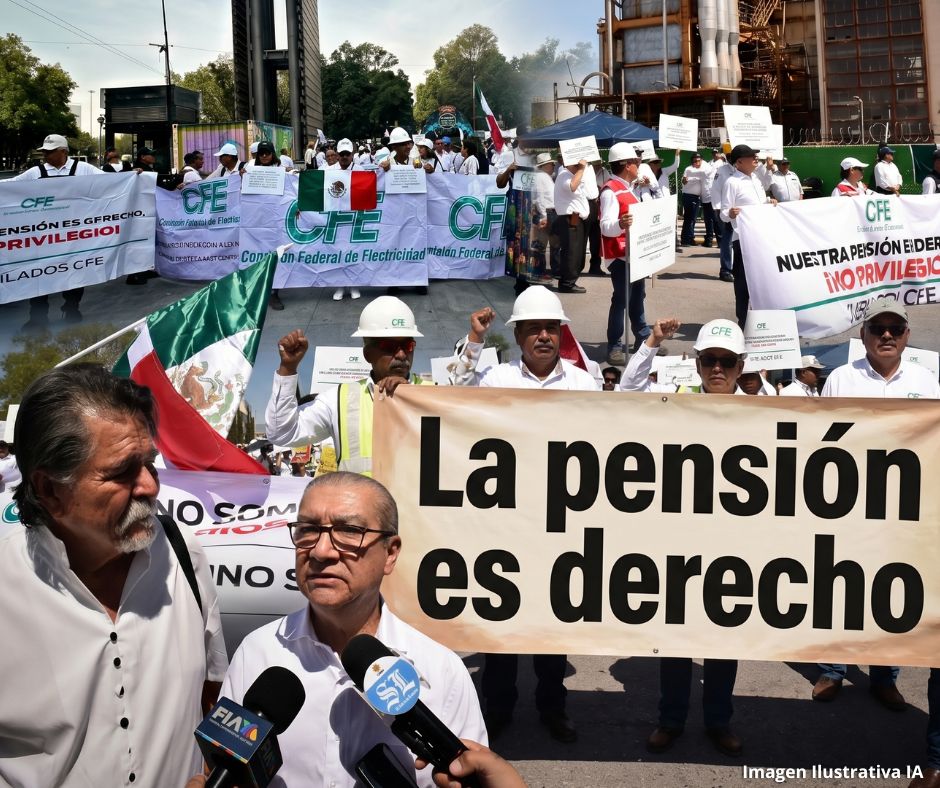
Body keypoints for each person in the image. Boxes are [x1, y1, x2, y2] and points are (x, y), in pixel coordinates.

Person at [0, 365, 227, 786]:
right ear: (50, 490)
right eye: (123, 471)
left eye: (150, 464)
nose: (149, 487)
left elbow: (210, 693)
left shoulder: (182, 554)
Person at [220, 472, 487, 787]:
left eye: (349, 530)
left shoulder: (442, 671)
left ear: (390, 553)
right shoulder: (257, 653)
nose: (321, 552)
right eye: (307, 529)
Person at [451, 286, 596, 744]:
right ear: (517, 336)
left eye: (550, 328)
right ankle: (498, 712)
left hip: (559, 524)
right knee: (501, 629)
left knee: (551, 626)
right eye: (533, 329)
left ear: (561, 333)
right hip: (505, 524)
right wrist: (473, 342)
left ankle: (553, 709)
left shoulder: (582, 383)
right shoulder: (495, 381)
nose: (543, 337)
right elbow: (450, 400)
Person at [814, 297, 939, 712]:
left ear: (906, 335)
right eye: (877, 328)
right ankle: (832, 669)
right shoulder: (840, 380)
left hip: (903, 506)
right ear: (863, 334)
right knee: (841, 585)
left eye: (895, 329)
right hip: (847, 502)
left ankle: (885, 676)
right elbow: (821, 439)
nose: (887, 335)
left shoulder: (927, 380)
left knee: (891, 591)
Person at [646, 319, 746, 758]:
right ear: (698, 363)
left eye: (726, 362)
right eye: (710, 361)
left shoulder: (773, 411)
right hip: (683, 544)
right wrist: (651, 342)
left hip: (736, 547)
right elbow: (628, 394)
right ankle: (671, 720)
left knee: (724, 640)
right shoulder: (677, 405)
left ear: (741, 366)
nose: (718, 370)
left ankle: (718, 721)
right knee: (677, 638)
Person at [265, 296, 429, 476]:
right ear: (367, 354)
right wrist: (288, 369)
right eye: (389, 346)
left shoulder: (436, 394)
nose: (401, 354)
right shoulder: (339, 400)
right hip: (362, 504)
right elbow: (281, 433)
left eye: (407, 345)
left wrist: (411, 395)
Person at [8, 133, 103, 327]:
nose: (46, 156)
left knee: (75, 273)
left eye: (50, 152)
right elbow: (10, 186)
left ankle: (71, 309)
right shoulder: (36, 172)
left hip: (74, 235)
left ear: (64, 151)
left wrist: (137, 177)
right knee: (39, 275)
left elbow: (111, 182)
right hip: (44, 237)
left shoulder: (83, 169)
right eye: (45, 152)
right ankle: (37, 317)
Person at [598, 142, 650, 365]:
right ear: (626, 165)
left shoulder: (627, 187)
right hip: (620, 257)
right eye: (636, 162)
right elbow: (605, 226)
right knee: (621, 300)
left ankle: (643, 338)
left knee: (637, 298)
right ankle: (614, 346)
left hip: (633, 255)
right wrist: (620, 223)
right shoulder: (611, 191)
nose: (639, 165)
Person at [721, 144, 775, 328]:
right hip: (743, 240)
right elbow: (723, 213)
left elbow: (758, 204)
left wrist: (769, 201)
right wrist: (731, 213)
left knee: (763, 283)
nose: (755, 159)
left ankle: (762, 322)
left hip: (762, 238)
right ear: (739, 162)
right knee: (743, 285)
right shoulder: (732, 182)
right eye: (751, 156)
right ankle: (743, 323)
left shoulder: (756, 180)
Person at [554, 157, 591, 294]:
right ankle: (567, 283)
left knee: (574, 252)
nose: (579, 166)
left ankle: (568, 281)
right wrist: (581, 169)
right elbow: (572, 186)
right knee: (571, 252)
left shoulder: (569, 175)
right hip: (571, 218)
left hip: (575, 218)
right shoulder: (564, 175)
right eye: (576, 164)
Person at [709, 149, 735, 282]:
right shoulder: (722, 170)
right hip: (726, 211)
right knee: (727, 241)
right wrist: (718, 209)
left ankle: (737, 268)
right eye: (730, 155)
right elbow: (715, 190)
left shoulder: (743, 170)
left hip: (742, 213)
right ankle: (725, 270)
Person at [680, 152, 710, 245]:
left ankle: (690, 238)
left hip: (696, 197)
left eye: (699, 160)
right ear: (692, 161)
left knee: (692, 219)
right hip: (689, 196)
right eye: (695, 160)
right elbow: (684, 181)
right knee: (689, 219)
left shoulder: (702, 170)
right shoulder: (689, 169)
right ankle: (685, 240)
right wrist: (691, 179)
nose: (697, 162)